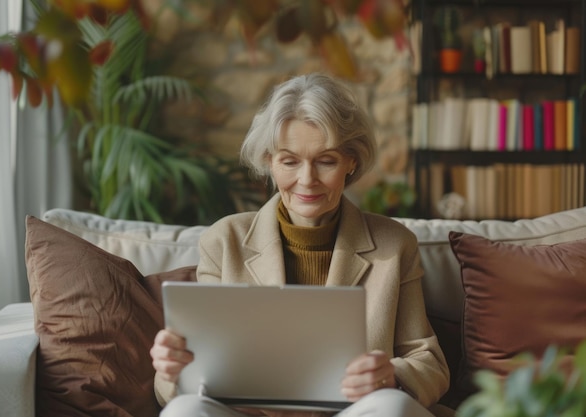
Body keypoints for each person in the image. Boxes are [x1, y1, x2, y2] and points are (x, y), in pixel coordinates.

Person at [150, 73, 450, 417]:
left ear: (351, 161)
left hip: (352, 414)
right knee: (182, 412)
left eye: (326, 161)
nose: (307, 180)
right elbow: (188, 382)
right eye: (290, 161)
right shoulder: (223, 240)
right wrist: (173, 369)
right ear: (269, 161)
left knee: (393, 407)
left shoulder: (395, 245)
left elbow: (430, 364)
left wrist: (391, 377)